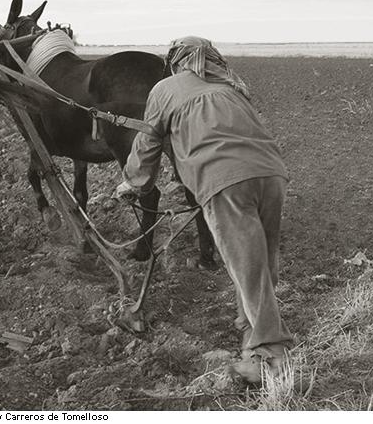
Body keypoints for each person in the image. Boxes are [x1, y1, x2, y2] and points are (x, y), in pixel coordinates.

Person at [115, 36, 293, 385]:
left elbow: (149, 141)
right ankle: (250, 335)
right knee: (260, 262)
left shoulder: (166, 89)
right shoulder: (231, 87)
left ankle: (271, 357)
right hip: (272, 174)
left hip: (224, 178)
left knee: (248, 267)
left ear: (177, 62)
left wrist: (133, 185)